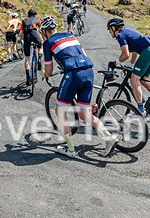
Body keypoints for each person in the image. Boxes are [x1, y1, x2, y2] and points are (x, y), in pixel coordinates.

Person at [40, 15, 117, 157]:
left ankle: (70, 149)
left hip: (73, 74)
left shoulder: (48, 43)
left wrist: (45, 73)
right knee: (84, 114)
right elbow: (83, 54)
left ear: (44, 31)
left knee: (60, 111)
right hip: (88, 71)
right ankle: (109, 138)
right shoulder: (71, 36)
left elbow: (49, 71)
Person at [106, 17, 150, 114]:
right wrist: (130, 66)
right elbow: (135, 52)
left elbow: (125, 55)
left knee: (134, 80)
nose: (109, 32)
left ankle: (140, 111)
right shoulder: (127, 32)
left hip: (146, 52)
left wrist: (114, 63)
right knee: (143, 80)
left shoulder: (121, 35)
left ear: (114, 28)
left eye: (109, 29)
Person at [19, 9, 43, 86]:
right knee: (40, 46)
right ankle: (39, 59)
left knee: (27, 58)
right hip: (35, 34)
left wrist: (23, 40)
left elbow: (20, 33)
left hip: (26, 37)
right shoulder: (37, 19)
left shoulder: (24, 20)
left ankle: (28, 78)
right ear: (35, 14)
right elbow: (42, 29)